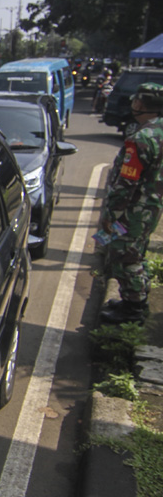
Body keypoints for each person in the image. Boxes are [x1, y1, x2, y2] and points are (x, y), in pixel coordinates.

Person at [99, 83, 163, 324]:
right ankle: (135, 300)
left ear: (141, 104)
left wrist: (110, 215)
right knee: (137, 252)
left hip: (131, 210)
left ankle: (132, 309)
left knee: (125, 257)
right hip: (151, 208)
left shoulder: (141, 139)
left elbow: (126, 182)